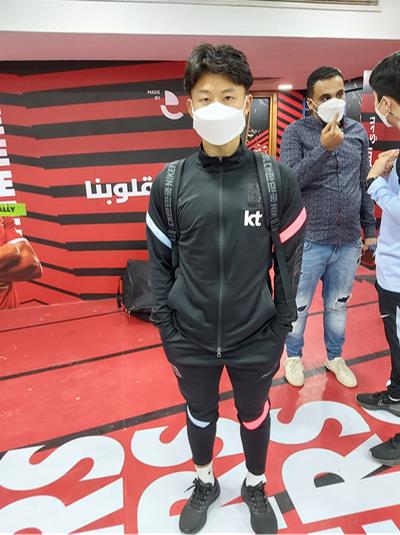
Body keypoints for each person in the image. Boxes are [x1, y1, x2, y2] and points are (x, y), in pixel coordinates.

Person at [146, 43, 306, 534]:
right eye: (205, 97)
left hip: (255, 337)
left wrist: (278, 330)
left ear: (246, 103)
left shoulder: (276, 181)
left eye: (228, 96)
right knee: (199, 415)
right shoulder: (170, 183)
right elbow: (159, 266)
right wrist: (168, 328)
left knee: (254, 414)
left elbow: (290, 268)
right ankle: (205, 480)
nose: (217, 107)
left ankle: (255, 483)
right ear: (189, 105)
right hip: (189, 338)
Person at [280, 66, 376, 389]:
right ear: (310, 102)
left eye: (339, 94)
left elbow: (363, 184)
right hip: (309, 241)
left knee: (338, 305)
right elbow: (289, 182)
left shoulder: (358, 133)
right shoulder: (295, 133)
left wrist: (369, 229)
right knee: (299, 305)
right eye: (325, 97)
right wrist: (324, 148)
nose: (334, 101)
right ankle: (293, 356)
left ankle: (335, 357)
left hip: (348, 241)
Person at [356, 51, 400, 467]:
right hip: (391, 270)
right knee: (395, 343)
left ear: (387, 102)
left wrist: (375, 182)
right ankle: (396, 394)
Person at [0, 216, 42, 309]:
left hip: (10, 314)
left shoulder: (3, 218)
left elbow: (33, 266)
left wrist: (9, 252)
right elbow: (11, 251)